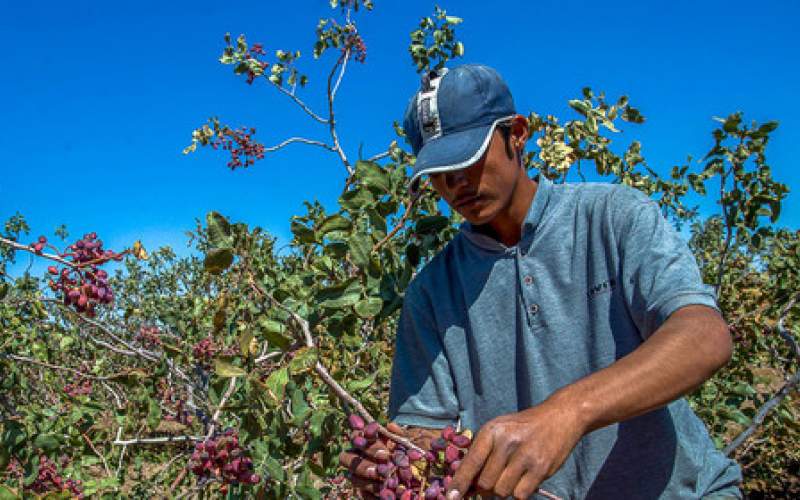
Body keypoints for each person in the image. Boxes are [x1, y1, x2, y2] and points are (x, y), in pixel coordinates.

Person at [339, 64, 742, 499]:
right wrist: (396, 465)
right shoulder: (431, 292)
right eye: (439, 171)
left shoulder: (614, 216)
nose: (455, 183)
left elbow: (704, 336)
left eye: (468, 158)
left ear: (517, 133)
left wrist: (568, 412)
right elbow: (425, 436)